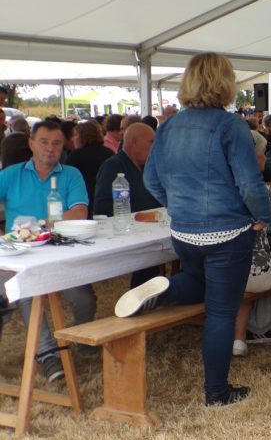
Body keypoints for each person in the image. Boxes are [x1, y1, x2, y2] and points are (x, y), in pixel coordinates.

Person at [118, 52, 271, 407]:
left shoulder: (170, 125)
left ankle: (165, 289)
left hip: (185, 232)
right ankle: (217, 392)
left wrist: (177, 206)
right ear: (225, 83)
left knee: (198, 282)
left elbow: (150, 179)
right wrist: (265, 216)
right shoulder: (231, 126)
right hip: (227, 233)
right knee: (222, 311)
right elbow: (250, 184)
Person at [0, 120, 96, 383]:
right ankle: (47, 353)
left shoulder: (71, 174)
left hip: (60, 250)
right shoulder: (11, 174)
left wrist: (38, 226)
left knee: (84, 299)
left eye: (56, 143)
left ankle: (82, 339)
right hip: (20, 254)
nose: (50, 148)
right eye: (43, 141)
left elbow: (79, 212)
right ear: (31, 143)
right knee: (30, 291)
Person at [94, 123, 159, 217]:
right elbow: (103, 207)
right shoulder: (113, 167)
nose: (155, 147)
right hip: (125, 226)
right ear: (134, 142)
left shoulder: (148, 167)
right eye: (151, 142)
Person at [64, 120, 114, 215]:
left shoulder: (75, 156)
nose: (72, 139)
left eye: (75, 135)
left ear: (82, 136)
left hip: (83, 201)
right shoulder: (109, 152)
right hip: (107, 202)